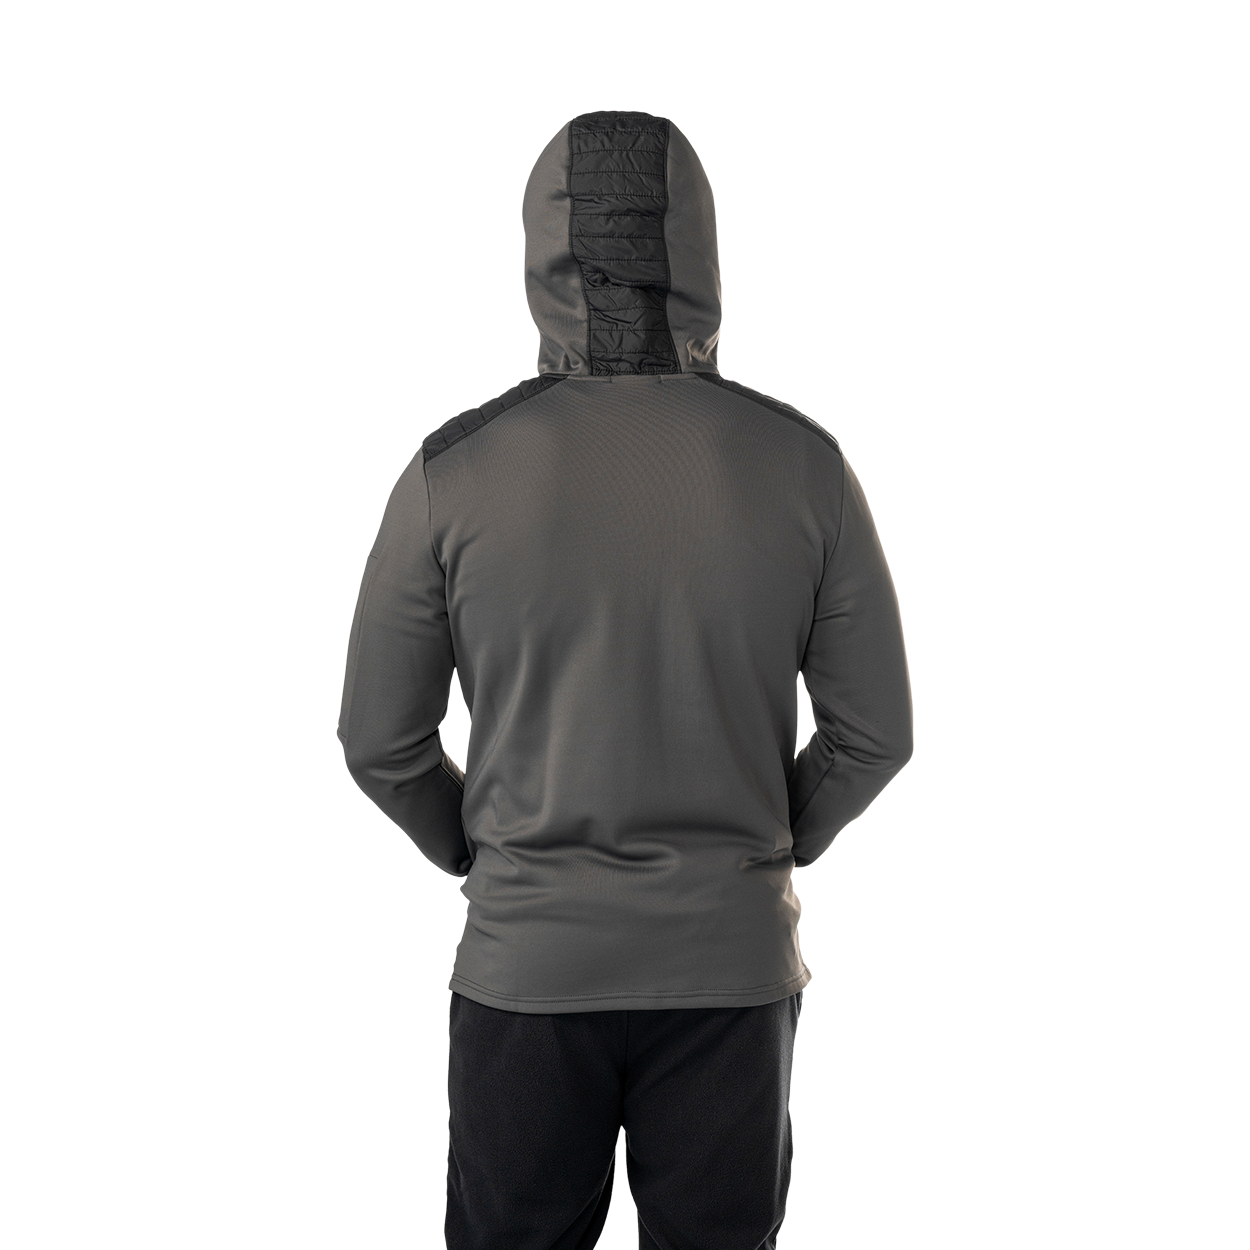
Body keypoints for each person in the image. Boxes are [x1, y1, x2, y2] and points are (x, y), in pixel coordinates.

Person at [337, 108, 914, 1250]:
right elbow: (874, 735)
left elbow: (379, 742)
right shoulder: (804, 466)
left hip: (526, 969)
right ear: (699, 249)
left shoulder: (454, 471)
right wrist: (768, 838)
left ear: (542, 251)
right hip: (728, 972)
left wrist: (481, 850)